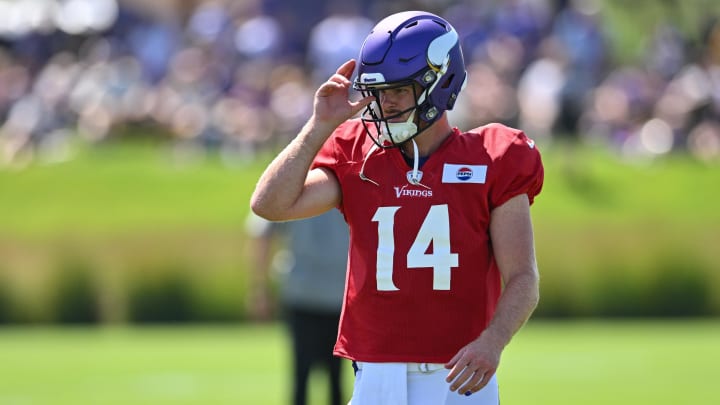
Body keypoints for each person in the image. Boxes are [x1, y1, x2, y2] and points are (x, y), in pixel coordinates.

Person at [250, 10, 544, 405]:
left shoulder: (493, 157)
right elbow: (270, 205)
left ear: (440, 84)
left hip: (459, 376)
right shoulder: (359, 154)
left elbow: (523, 277)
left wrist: (492, 341)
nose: (385, 104)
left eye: (399, 91)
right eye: (380, 91)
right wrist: (319, 124)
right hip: (375, 377)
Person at [245, 210, 349, 405]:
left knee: (302, 374)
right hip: (333, 292)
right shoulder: (349, 180)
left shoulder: (291, 182)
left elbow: (261, 232)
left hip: (305, 291)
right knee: (333, 376)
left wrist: (260, 288)